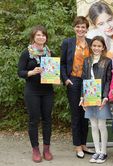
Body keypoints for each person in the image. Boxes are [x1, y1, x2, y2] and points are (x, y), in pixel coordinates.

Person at [17, 25, 54, 162]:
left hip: (48, 91)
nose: (41, 37)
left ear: (46, 38)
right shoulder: (26, 53)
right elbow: (20, 72)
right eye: (38, 35)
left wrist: (56, 78)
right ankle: (35, 149)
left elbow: (54, 71)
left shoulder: (49, 52)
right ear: (33, 37)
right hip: (32, 91)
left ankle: (47, 149)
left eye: (43, 35)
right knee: (33, 121)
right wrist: (31, 72)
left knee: (47, 120)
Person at [60, 16, 94, 158]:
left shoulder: (92, 43)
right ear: (74, 28)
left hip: (88, 82)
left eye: (83, 27)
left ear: (87, 29)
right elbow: (62, 63)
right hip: (73, 81)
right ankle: (77, 146)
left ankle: (84, 144)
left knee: (85, 114)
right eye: (78, 26)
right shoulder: (67, 42)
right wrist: (66, 79)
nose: (80, 29)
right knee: (76, 115)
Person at [79, 36, 113, 163]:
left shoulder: (107, 61)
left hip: (101, 98)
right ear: (91, 47)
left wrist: (105, 97)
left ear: (103, 47)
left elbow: (108, 80)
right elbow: (84, 80)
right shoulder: (86, 61)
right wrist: (82, 97)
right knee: (93, 125)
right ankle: (97, 151)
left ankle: (104, 152)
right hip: (89, 96)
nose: (96, 48)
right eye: (94, 46)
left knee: (101, 125)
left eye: (99, 46)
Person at [86, 1, 113, 69]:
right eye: (101, 24)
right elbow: (95, 69)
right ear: (95, 25)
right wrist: (112, 51)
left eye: (109, 20)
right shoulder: (92, 39)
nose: (108, 26)